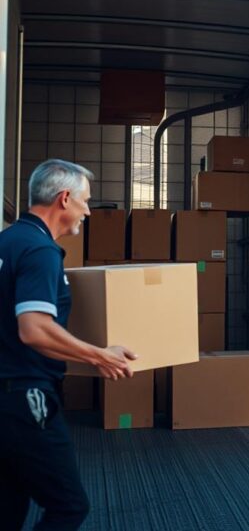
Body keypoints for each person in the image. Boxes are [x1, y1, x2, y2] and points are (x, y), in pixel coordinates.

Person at [0, 159, 136, 531]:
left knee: (9, 508)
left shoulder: (7, 242)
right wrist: (99, 355)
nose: (88, 211)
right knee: (68, 506)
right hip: (25, 397)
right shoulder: (40, 252)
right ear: (64, 199)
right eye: (85, 201)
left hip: (5, 394)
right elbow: (35, 330)